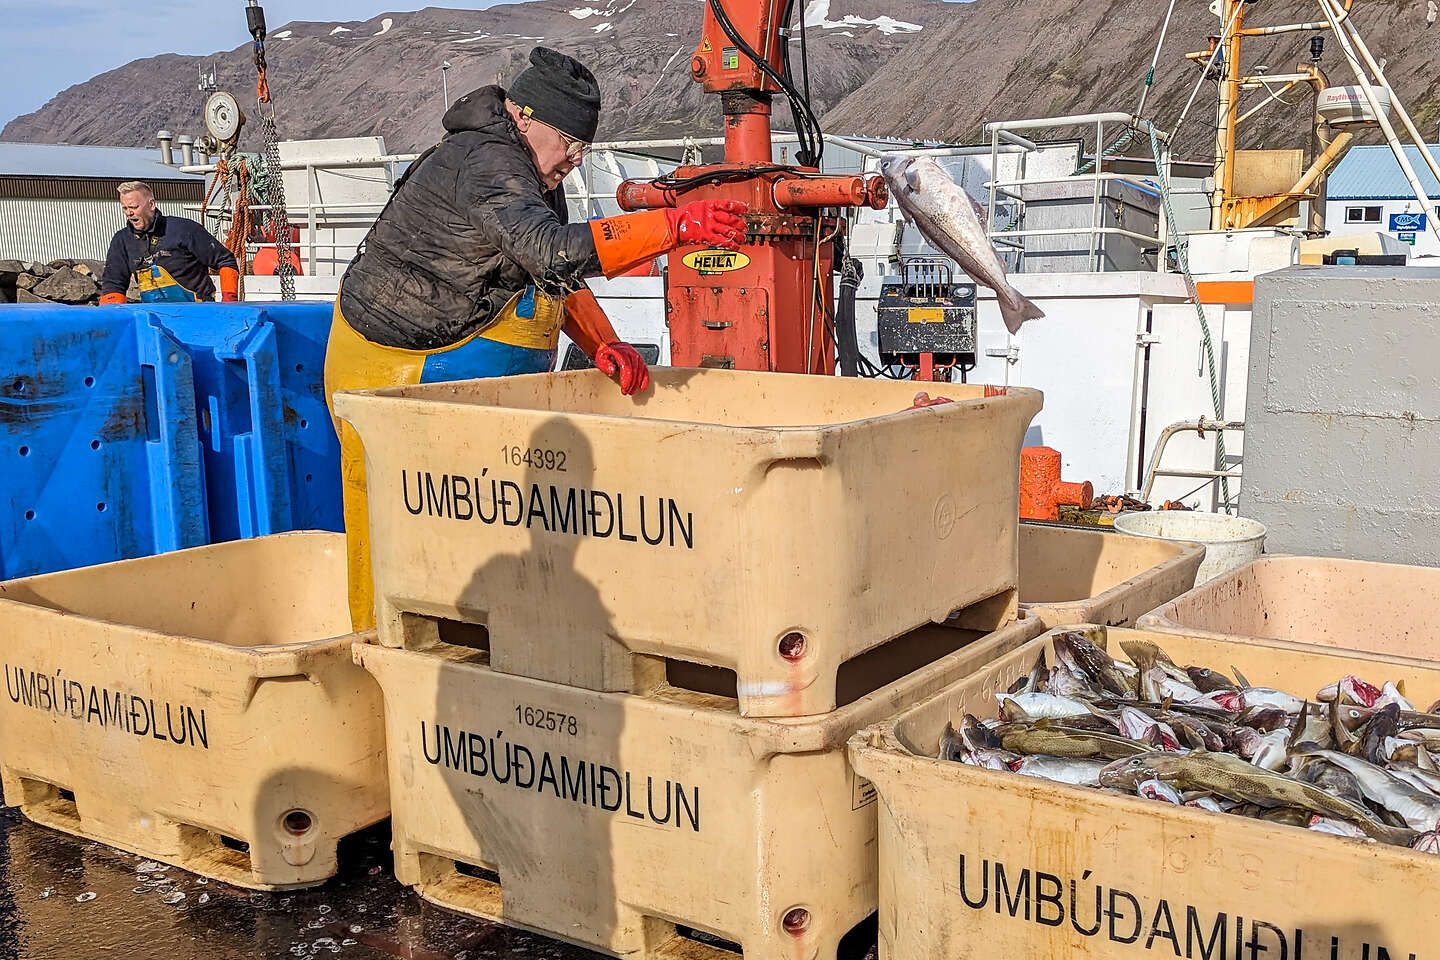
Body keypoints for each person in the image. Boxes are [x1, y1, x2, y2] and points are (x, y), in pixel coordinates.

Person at [325, 46, 748, 629]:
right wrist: (670, 226)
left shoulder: (533, 173)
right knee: (389, 536)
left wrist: (602, 341)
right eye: (569, 147)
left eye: (583, 152)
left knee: (467, 539)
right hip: (389, 366)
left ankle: (474, 641)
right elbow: (549, 249)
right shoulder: (487, 160)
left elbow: (548, 270)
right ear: (525, 117)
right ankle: (373, 649)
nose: (573, 162)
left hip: (455, 357)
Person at [99, 180, 239, 304]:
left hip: (198, 313)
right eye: (125, 208)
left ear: (151, 204)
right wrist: (111, 318)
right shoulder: (122, 240)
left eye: (134, 207)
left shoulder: (184, 229)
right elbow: (113, 283)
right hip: (154, 318)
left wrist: (229, 299)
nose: (129, 213)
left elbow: (225, 260)